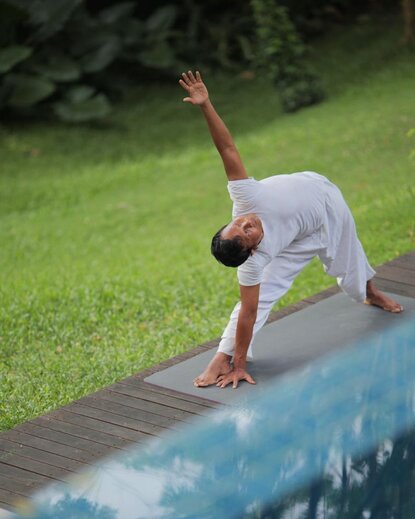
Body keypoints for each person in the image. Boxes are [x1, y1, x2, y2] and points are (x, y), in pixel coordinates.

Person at [179, 70, 403, 390]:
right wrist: (240, 365)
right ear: (252, 250)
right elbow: (250, 311)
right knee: (257, 300)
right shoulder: (254, 261)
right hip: (294, 241)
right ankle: (223, 356)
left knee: (350, 265)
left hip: (326, 205)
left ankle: (369, 293)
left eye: (237, 225)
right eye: (246, 234)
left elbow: (226, 147)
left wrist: (206, 105)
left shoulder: (245, 198)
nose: (246, 223)